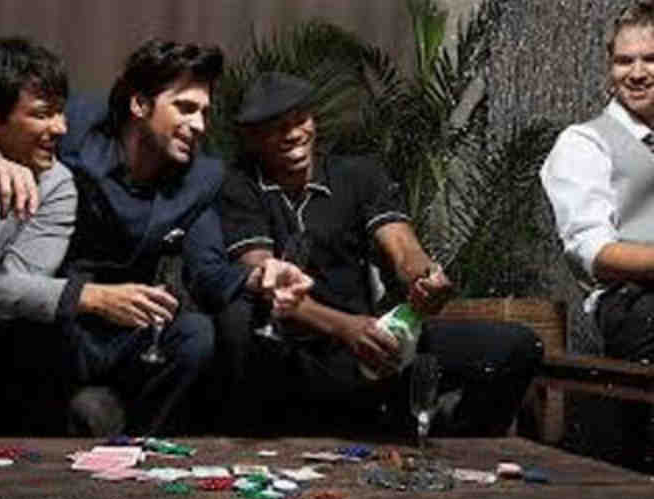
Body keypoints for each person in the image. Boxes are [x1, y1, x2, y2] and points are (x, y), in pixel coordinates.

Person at [0, 41, 312, 436]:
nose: (199, 125)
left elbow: (208, 270)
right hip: (52, 313)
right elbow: (2, 115)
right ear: (139, 105)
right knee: (26, 324)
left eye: (204, 112)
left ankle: (140, 448)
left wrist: (260, 277)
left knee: (194, 335)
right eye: (185, 108)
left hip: (128, 326)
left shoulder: (201, 178)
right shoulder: (75, 124)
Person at [218, 72, 543, 436]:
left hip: (374, 340)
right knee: (245, 339)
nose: (294, 133)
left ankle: (457, 445)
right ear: (253, 138)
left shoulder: (357, 174)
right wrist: (344, 327)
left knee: (516, 347)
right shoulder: (239, 187)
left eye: (300, 119)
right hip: (300, 354)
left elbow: (403, 248)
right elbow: (267, 282)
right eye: (277, 127)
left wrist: (425, 279)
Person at [540, 1, 654, 469]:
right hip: (634, 304)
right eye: (625, 60)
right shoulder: (583, 143)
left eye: (651, 59)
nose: (638, 73)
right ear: (609, 68)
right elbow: (594, 253)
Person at [0, 37, 74, 434]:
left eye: (61, 112)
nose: (61, 128)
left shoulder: (56, 183)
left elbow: (13, 291)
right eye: (43, 114)